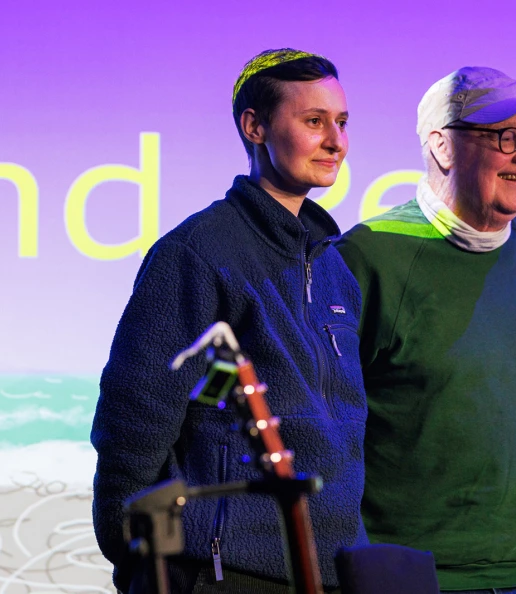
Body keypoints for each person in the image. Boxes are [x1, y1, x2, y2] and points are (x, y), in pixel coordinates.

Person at [91, 49, 369, 594]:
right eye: (314, 121)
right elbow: (135, 417)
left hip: (327, 573)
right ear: (255, 126)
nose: (336, 140)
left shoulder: (336, 268)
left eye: (341, 122)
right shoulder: (196, 253)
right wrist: (141, 559)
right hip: (222, 573)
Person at [336, 67, 516, 593]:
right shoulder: (367, 255)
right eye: (504, 137)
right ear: (442, 147)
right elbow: (329, 424)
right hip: (409, 577)